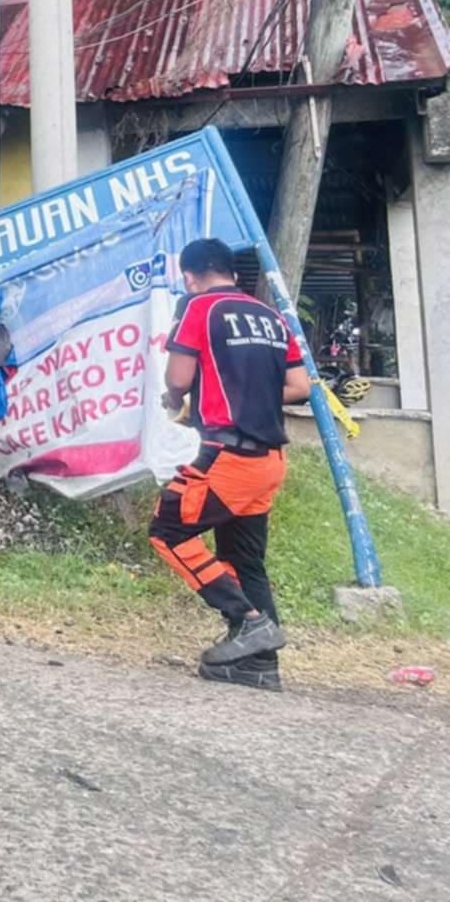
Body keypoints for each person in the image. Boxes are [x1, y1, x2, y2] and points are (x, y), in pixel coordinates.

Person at [152, 237, 311, 690]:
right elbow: (299, 385)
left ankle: (247, 619)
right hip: (270, 460)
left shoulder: (199, 307)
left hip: (229, 457)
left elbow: (178, 379)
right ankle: (261, 667)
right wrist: (252, 392)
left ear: (190, 275)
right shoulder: (270, 315)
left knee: (167, 530)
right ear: (233, 273)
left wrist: (176, 396)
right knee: (245, 559)